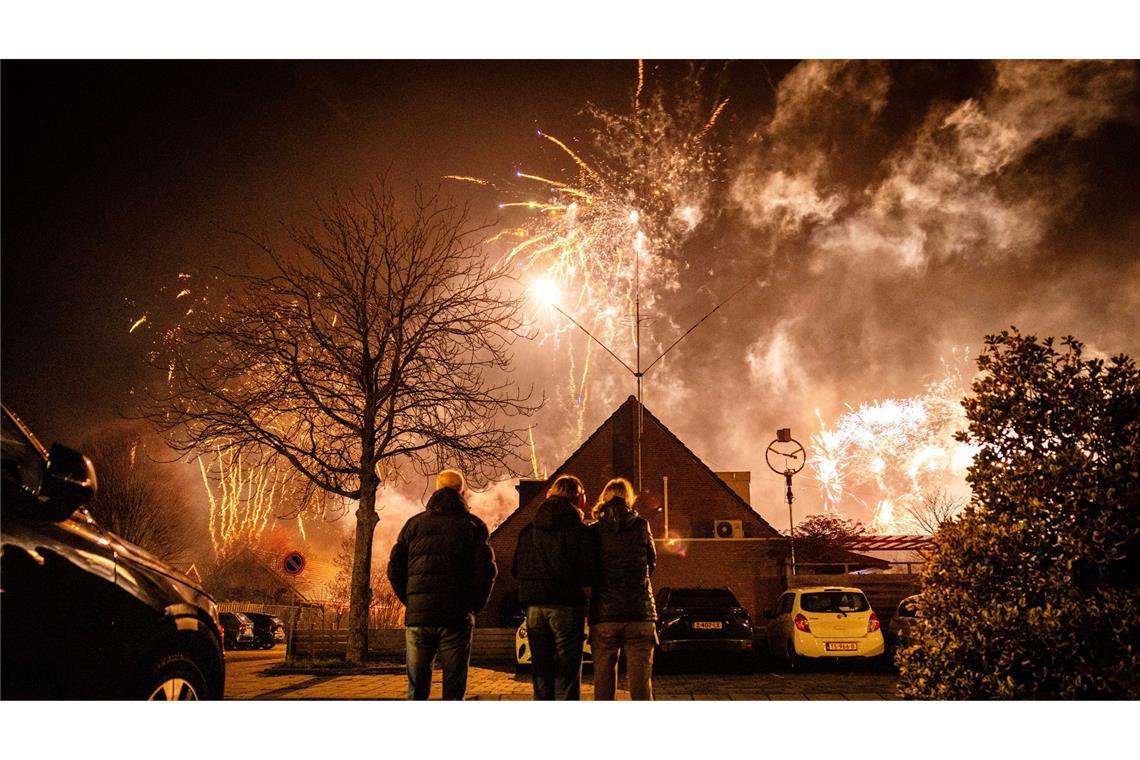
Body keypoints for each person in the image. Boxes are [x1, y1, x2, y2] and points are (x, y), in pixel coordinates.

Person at [387, 469, 496, 700]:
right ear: (462, 492)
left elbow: (394, 568)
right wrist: (472, 607)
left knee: (416, 690)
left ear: (436, 489)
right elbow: (485, 572)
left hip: (419, 618)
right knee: (454, 690)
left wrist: (412, 600)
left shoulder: (413, 525)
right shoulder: (473, 525)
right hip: (456, 616)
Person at [511, 474, 596, 700]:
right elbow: (590, 572)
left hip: (534, 607)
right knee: (567, 672)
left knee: (540, 669)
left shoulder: (529, 530)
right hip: (566, 605)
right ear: (578, 499)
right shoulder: (580, 532)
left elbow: (515, 569)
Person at [588, 477, 657, 700]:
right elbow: (651, 562)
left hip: (605, 614)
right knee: (641, 683)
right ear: (629, 498)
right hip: (640, 613)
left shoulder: (594, 530)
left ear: (605, 497)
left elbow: (589, 567)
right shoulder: (642, 525)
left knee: (603, 681)